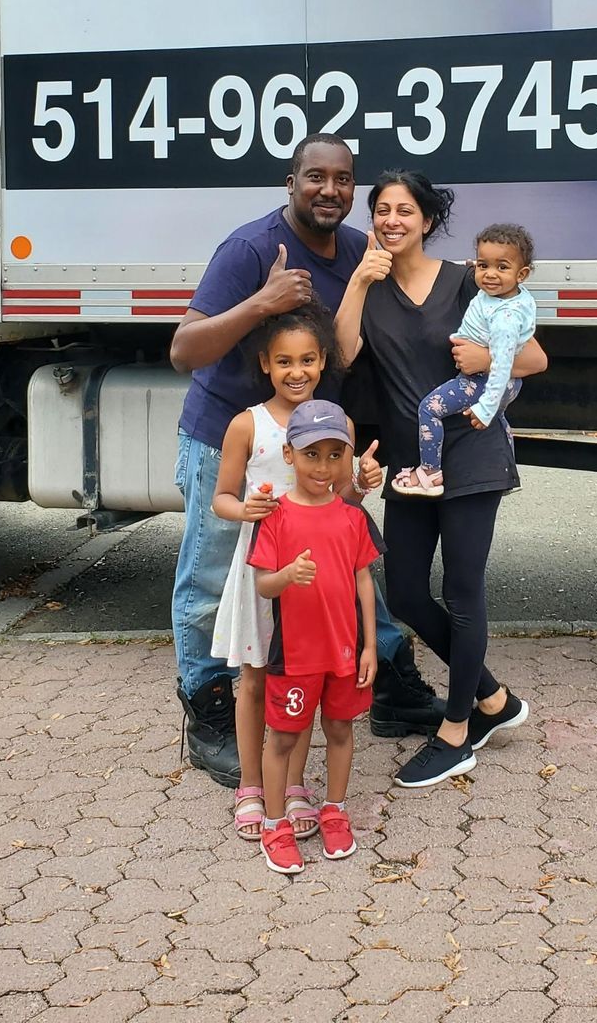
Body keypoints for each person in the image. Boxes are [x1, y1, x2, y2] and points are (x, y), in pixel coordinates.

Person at [169, 136, 443, 786]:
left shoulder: (353, 249)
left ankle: (392, 688)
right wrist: (261, 303)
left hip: (310, 449)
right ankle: (209, 713)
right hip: (232, 439)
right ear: (289, 182)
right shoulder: (250, 249)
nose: (330, 189)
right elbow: (184, 350)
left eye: (343, 179)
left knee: (350, 561)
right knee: (214, 579)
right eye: (314, 177)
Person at [336, 172, 546, 789]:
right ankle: (492, 698)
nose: (391, 220)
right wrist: (356, 281)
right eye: (381, 211)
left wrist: (486, 360)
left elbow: (535, 358)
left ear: (427, 220)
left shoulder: (465, 280)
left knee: (461, 592)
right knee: (402, 592)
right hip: (411, 466)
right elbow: (343, 356)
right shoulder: (370, 290)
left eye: (405, 210)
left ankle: (457, 731)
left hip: (472, 456)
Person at [209, 305, 383, 841]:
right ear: (266, 363)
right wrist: (247, 512)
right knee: (256, 676)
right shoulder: (248, 424)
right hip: (263, 567)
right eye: (284, 361)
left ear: (323, 361)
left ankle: (298, 786)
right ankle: (252, 787)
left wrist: (365, 481)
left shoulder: (338, 423)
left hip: (319, 578)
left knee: (304, 679)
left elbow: (341, 499)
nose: (296, 371)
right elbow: (220, 498)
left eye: (308, 359)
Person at [246, 400, 382, 874]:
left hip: (345, 653)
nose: (322, 467)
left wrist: (369, 646)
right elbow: (262, 583)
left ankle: (335, 811)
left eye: (333, 455)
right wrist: (287, 575)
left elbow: (364, 579)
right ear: (289, 455)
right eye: (311, 455)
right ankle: (275, 824)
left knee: (341, 730)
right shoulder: (277, 516)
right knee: (283, 737)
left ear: (346, 457)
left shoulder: (350, 517)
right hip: (296, 654)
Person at [392, 223, 537, 498]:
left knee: (429, 409)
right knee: (501, 417)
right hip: (499, 382)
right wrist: (486, 270)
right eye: (483, 265)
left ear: (522, 274)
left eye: (501, 267)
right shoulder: (508, 295)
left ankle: (430, 473)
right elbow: (492, 279)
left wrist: (485, 407)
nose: (490, 275)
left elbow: (503, 365)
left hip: (482, 381)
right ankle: (505, 469)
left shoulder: (506, 319)